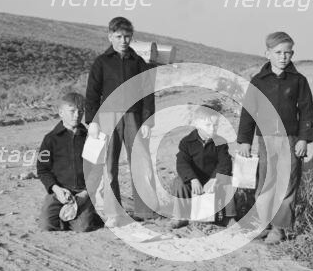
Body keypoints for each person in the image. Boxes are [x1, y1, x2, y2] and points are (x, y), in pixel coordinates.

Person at [237, 31, 313, 244]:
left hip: (290, 139)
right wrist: (245, 140)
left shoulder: (298, 81)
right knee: (265, 182)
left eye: (288, 53)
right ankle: (262, 223)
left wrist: (303, 139)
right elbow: (248, 112)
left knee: (288, 183)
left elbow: (307, 111)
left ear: (292, 54)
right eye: (278, 52)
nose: (283, 57)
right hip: (265, 139)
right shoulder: (259, 81)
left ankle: (279, 228)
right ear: (267, 53)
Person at [85, 16, 158, 227]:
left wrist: (147, 122)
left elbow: (148, 94)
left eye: (127, 36)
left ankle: (146, 211)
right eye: (119, 36)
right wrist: (92, 122)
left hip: (135, 117)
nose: (123, 40)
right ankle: (113, 212)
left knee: (141, 162)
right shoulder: (101, 62)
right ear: (110, 36)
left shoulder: (139, 63)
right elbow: (92, 94)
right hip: (108, 119)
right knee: (109, 166)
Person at [37, 92, 99, 232]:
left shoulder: (91, 138)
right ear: (61, 113)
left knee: (83, 228)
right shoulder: (50, 139)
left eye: (81, 111)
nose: (77, 115)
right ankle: (67, 215)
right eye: (72, 111)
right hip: (60, 192)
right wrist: (57, 190)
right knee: (46, 225)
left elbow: (97, 170)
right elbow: (42, 169)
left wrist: (85, 193)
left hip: (83, 193)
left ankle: (91, 211)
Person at [171, 104, 237, 229]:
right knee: (178, 182)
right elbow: (182, 163)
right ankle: (180, 217)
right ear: (197, 124)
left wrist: (214, 179)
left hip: (213, 180)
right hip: (194, 181)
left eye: (215, 125)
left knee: (228, 180)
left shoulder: (220, 142)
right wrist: (193, 179)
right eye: (208, 125)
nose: (212, 129)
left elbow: (225, 163)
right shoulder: (186, 142)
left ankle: (229, 218)